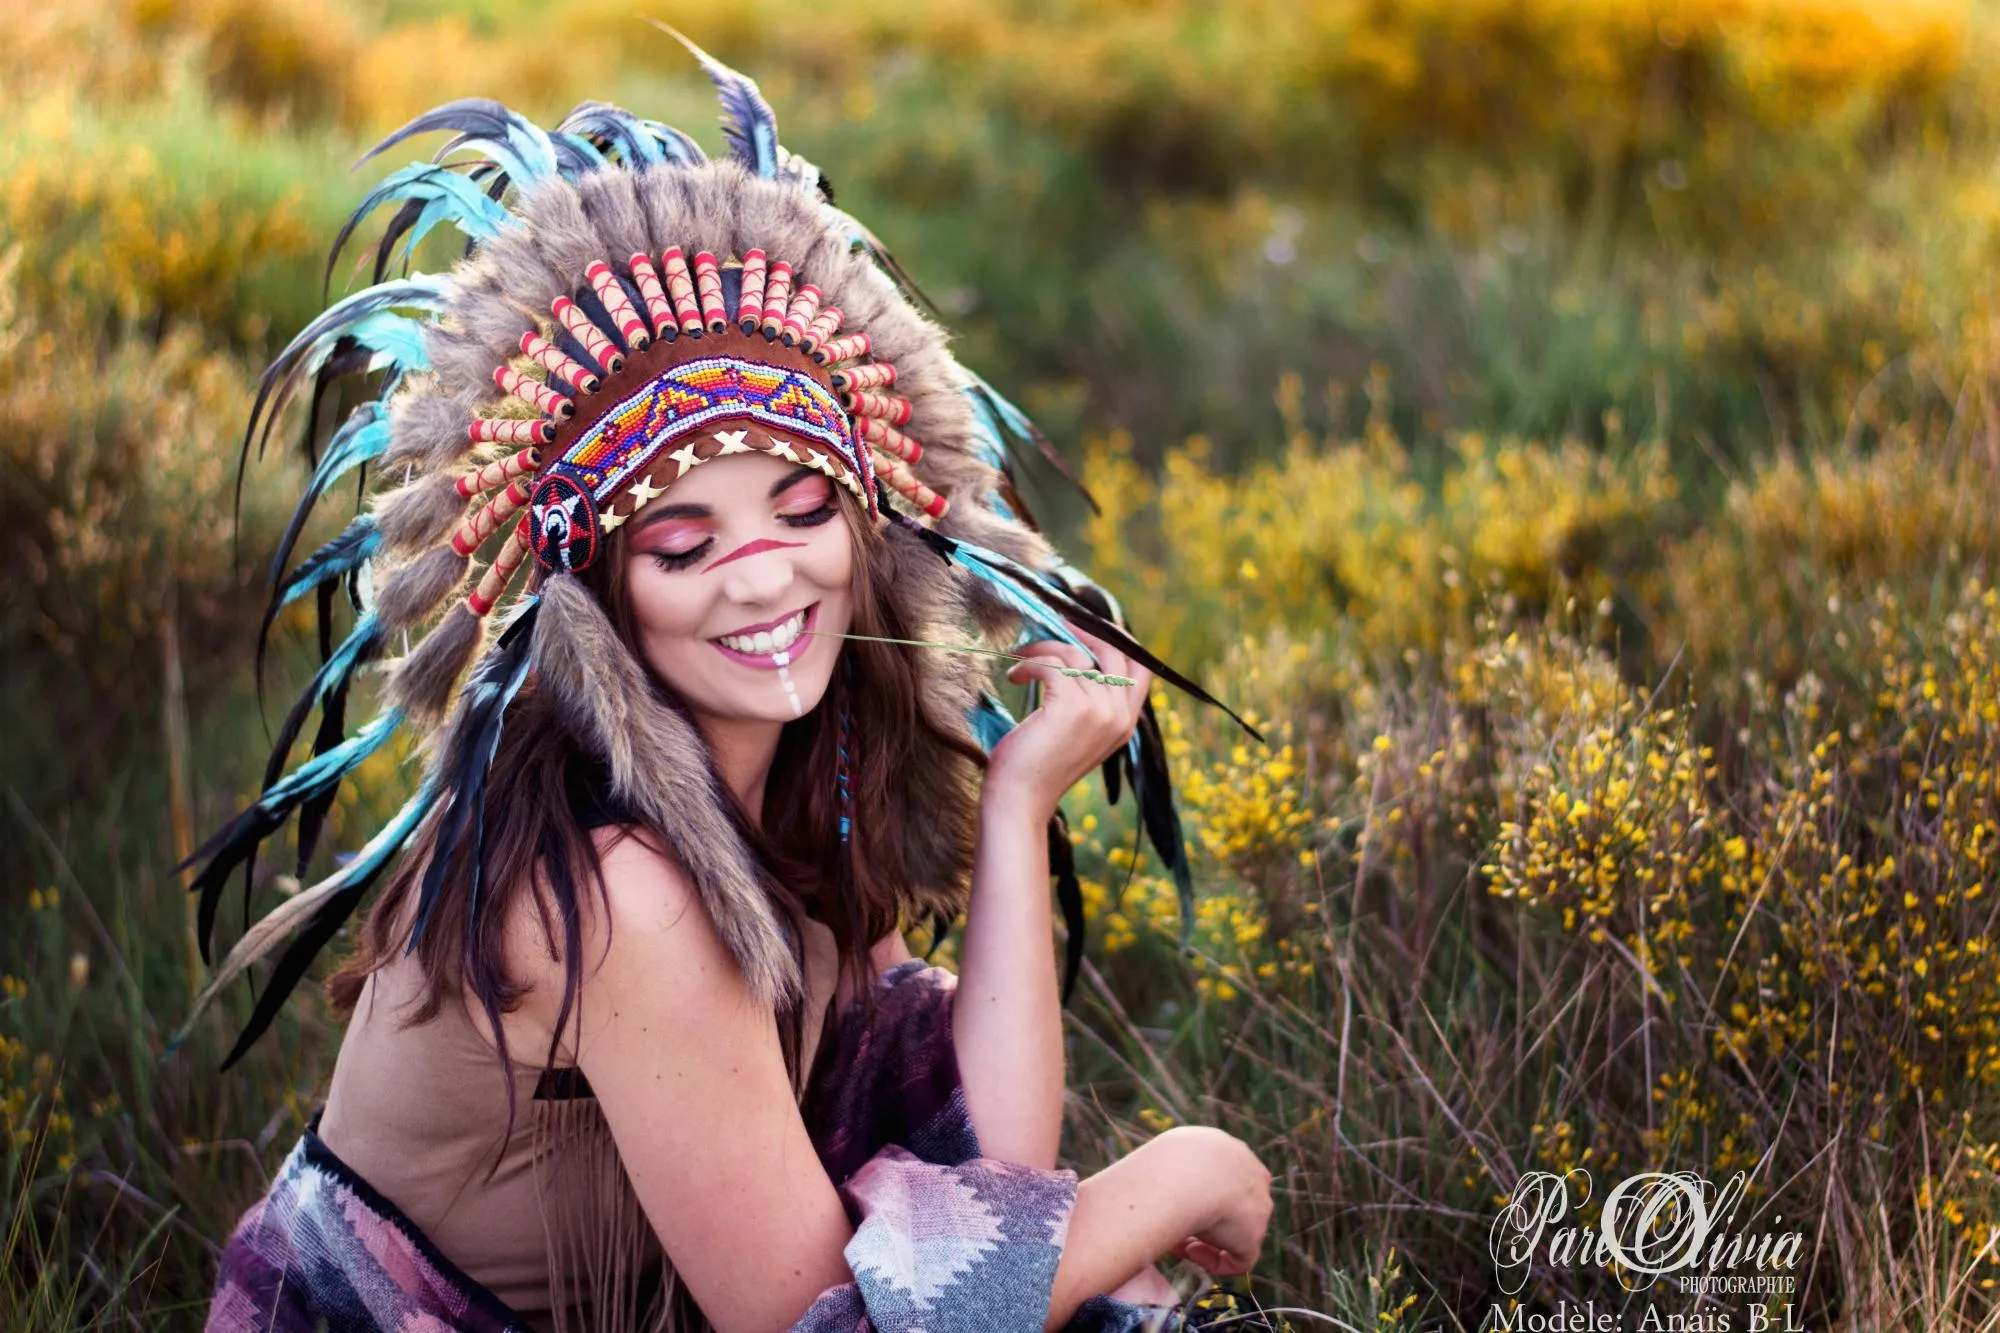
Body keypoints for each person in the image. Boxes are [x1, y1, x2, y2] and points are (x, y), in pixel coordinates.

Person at [184, 39, 1274, 1333]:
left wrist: (1017, 803)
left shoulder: (772, 800)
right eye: (685, 543)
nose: (762, 581)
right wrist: (1189, 1172)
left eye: (804, 507)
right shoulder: (620, 893)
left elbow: (986, 1168)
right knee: (1115, 1285)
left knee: (1092, 1291)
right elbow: (837, 1325)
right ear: (597, 596)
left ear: (865, 526)